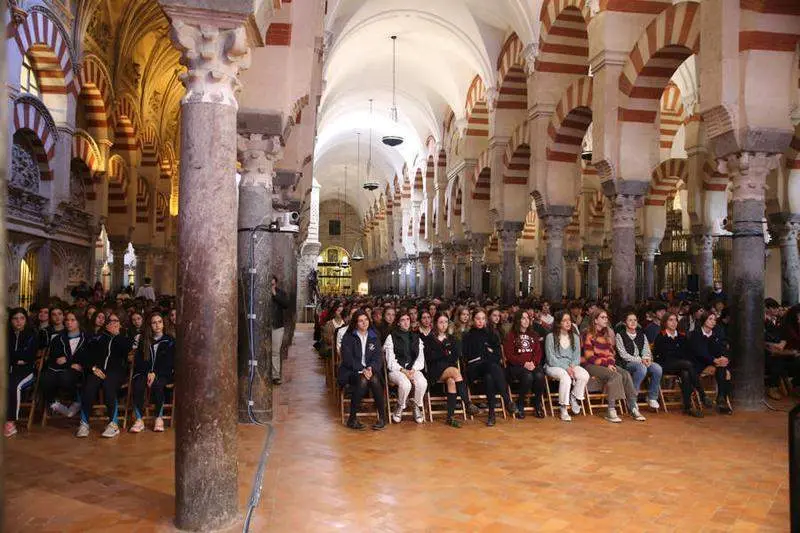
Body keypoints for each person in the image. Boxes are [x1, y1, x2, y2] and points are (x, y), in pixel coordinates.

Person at [582, 309, 645, 423]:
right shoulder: (588, 333)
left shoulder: (607, 335)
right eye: (602, 317)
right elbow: (589, 356)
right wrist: (607, 364)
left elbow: (611, 353)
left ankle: (633, 406)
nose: (606, 320)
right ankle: (611, 410)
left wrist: (610, 363)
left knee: (625, 374)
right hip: (591, 365)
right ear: (595, 320)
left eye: (606, 317)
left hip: (607, 364)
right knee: (615, 376)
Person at [77, 313, 132, 438]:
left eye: (116, 320)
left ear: (120, 324)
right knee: (89, 386)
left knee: (108, 386)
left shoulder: (124, 338)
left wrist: (117, 335)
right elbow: (84, 356)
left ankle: (113, 424)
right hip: (98, 370)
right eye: (110, 321)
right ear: (106, 325)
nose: (113, 323)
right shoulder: (98, 338)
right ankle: (84, 423)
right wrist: (93, 368)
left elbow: (127, 349)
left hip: (116, 372)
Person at [462, 309, 519, 426]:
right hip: (474, 368)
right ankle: (507, 400)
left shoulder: (491, 334)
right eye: (478, 319)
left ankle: (491, 415)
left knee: (489, 377)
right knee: (492, 367)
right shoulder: (467, 336)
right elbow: (467, 356)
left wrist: (487, 354)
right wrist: (487, 353)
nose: (480, 321)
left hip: (489, 367)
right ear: (473, 320)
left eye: (483, 319)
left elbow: (498, 355)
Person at [423, 313, 480, 427]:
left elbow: (455, 356)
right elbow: (429, 357)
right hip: (435, 370)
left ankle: (450, 417)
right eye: (441, 322)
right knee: (455, 372)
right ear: (435, 324)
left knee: (452, 381)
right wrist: (445, 351)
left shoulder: (452, 338)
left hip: (449, 368)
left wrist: (442, 353)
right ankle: (467, 403)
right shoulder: (429, 338)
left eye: (445, 322)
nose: (444, 325)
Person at [337, 310, 386, 430]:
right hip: (352, 371)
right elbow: (348, 359)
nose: (364, 323)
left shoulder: (374, 335)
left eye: (366, 320)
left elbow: (378, 357)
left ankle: (382, 418)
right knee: (363, 380)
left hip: (370, 371)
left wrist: (370, 368)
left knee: (374, 379)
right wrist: (362, 369)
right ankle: (352, 418)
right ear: (355, 323)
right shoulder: (348, 337)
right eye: (360, 321)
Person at [130, 312, 175, 433]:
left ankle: (158, 418)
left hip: (163, 373)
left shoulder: (169, 340)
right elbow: (139, 362)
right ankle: (139, 420)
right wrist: (148, 372)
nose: (157, 325)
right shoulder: (144, 340)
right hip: (144, 372)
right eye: (154, 322)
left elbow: (169, 362)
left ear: (163, 324)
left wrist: (155, 373)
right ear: (150, 325)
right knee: (138, 385)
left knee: (158, 385)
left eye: (159, 322)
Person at [652, 313, 704, 417]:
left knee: (685, 373)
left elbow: (687, 353)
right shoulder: (661, 337)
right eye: (670, 320)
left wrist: (676, 355)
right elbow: (661, 356)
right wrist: (677, 355)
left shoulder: (682, 336)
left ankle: (687, 406)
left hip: (681, 365)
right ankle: (702, 394)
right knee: (687, 365)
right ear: (665, 322)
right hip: (665, 365)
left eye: (675, 320)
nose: (674, 322)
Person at [545, 310, 590, 421]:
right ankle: (563, 408)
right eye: (564, 320)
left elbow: (576, 357)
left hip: (571, 365)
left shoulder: (575, 337)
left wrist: (572, 367)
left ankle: (574, 397)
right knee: (565, 377)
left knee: (584, 375)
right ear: (558, 323)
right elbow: (551, 359)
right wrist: (566, 368)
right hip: (554, 366)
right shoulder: (550, 337)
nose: (568, 323)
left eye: (569, 320)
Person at [40, 311, 87, 419]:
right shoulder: (58, 338)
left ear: (79, 322)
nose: (69, 323)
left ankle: (77, 401)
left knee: (65, 378)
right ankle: (54, 404)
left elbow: (85, 357)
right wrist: (70, 363)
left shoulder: (86, 338)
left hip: (79, 370)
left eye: (72, 320)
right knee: (44, 378)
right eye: (67, 320)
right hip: (58, 368)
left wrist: (68, 361)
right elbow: (56, 359)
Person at [384, 311, 427, 424]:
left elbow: (420, 358)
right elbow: (390, 361)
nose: (406, 322)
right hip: (396, 370)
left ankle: (416, 406)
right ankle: (400, 406)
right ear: (398, 323)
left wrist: (412, 370)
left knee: (422, 382)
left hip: (413, 369)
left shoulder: (416, 337)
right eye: (403, 320)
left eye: (408, 319)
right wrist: (403, 371)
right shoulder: (391, 337)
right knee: (405, 384)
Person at [687, 311, 733, 414]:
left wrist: (724, 358)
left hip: (713, 362)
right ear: (704, 320)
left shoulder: (716, 334)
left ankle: (721, 398)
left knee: (722, 368)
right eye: (710, 319)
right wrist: (714, 360)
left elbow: (722, 349)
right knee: (720, 366)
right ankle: (718, 399)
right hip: (698, 362)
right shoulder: (696, 334)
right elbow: (700, 352)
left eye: (714, 320)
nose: (713, 322)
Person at [615, 311, 663, 410]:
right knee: (642, 368)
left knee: (657, 368)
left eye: (635, 320)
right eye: (630, 320)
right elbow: (623, 354)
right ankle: (632, 398)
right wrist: (640, 360)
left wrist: (647, 359)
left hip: (642, 362)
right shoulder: (620, 335)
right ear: (625, 323)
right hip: (627, 363)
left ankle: (652, 397)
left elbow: (646, 350)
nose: (633, 322)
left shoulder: (642, 335)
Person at [503, 311, 546, 419]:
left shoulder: (533, 334)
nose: (527, 320)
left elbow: (538, 352)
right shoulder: (511, 335)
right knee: (528, 376)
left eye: (528, 318)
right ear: (518, 320)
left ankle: (537, 403)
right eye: (523, 318)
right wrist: (524, 363)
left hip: (532, 364)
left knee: (540, 376)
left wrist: (533, 363)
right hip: (516, 366)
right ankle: (520, 403)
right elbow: (509, 355)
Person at [5, 308, 38, 437]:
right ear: (11, 320)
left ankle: (10, 422)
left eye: (21, 318)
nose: (18, 321)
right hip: (8, 369)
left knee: (14, 386)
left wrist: (15, 358)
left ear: (26, 320)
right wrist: (16, 359)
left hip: (26, 371)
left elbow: (29, 356)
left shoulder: (32, 335)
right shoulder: (6, 335)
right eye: (15, 319)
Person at [271, 275, 289, 385]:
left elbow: (286, 304)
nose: (271, 286)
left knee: (275, 352)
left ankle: (275, 375)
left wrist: (274, 294)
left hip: (277, 325)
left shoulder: (280, 293)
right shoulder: (260, 292)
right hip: (263, 326)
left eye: (273, 284)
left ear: (276, 283)